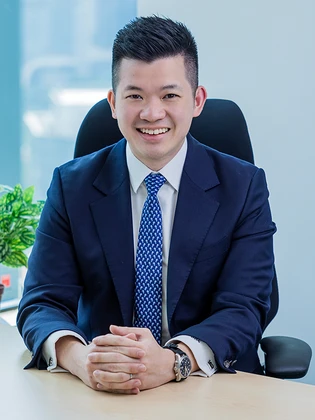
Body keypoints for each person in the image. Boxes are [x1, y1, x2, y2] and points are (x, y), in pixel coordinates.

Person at [17, 16, 276, 395]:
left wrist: (174, 361)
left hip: (210, 387)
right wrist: (81, 360)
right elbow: (41, 301)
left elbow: (246, 308)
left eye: (170, 95)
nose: (152, 113)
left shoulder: (243, 187)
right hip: (103, 385)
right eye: (134, 95)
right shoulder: (71, 185)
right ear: (113, 102)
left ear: (197, 100)